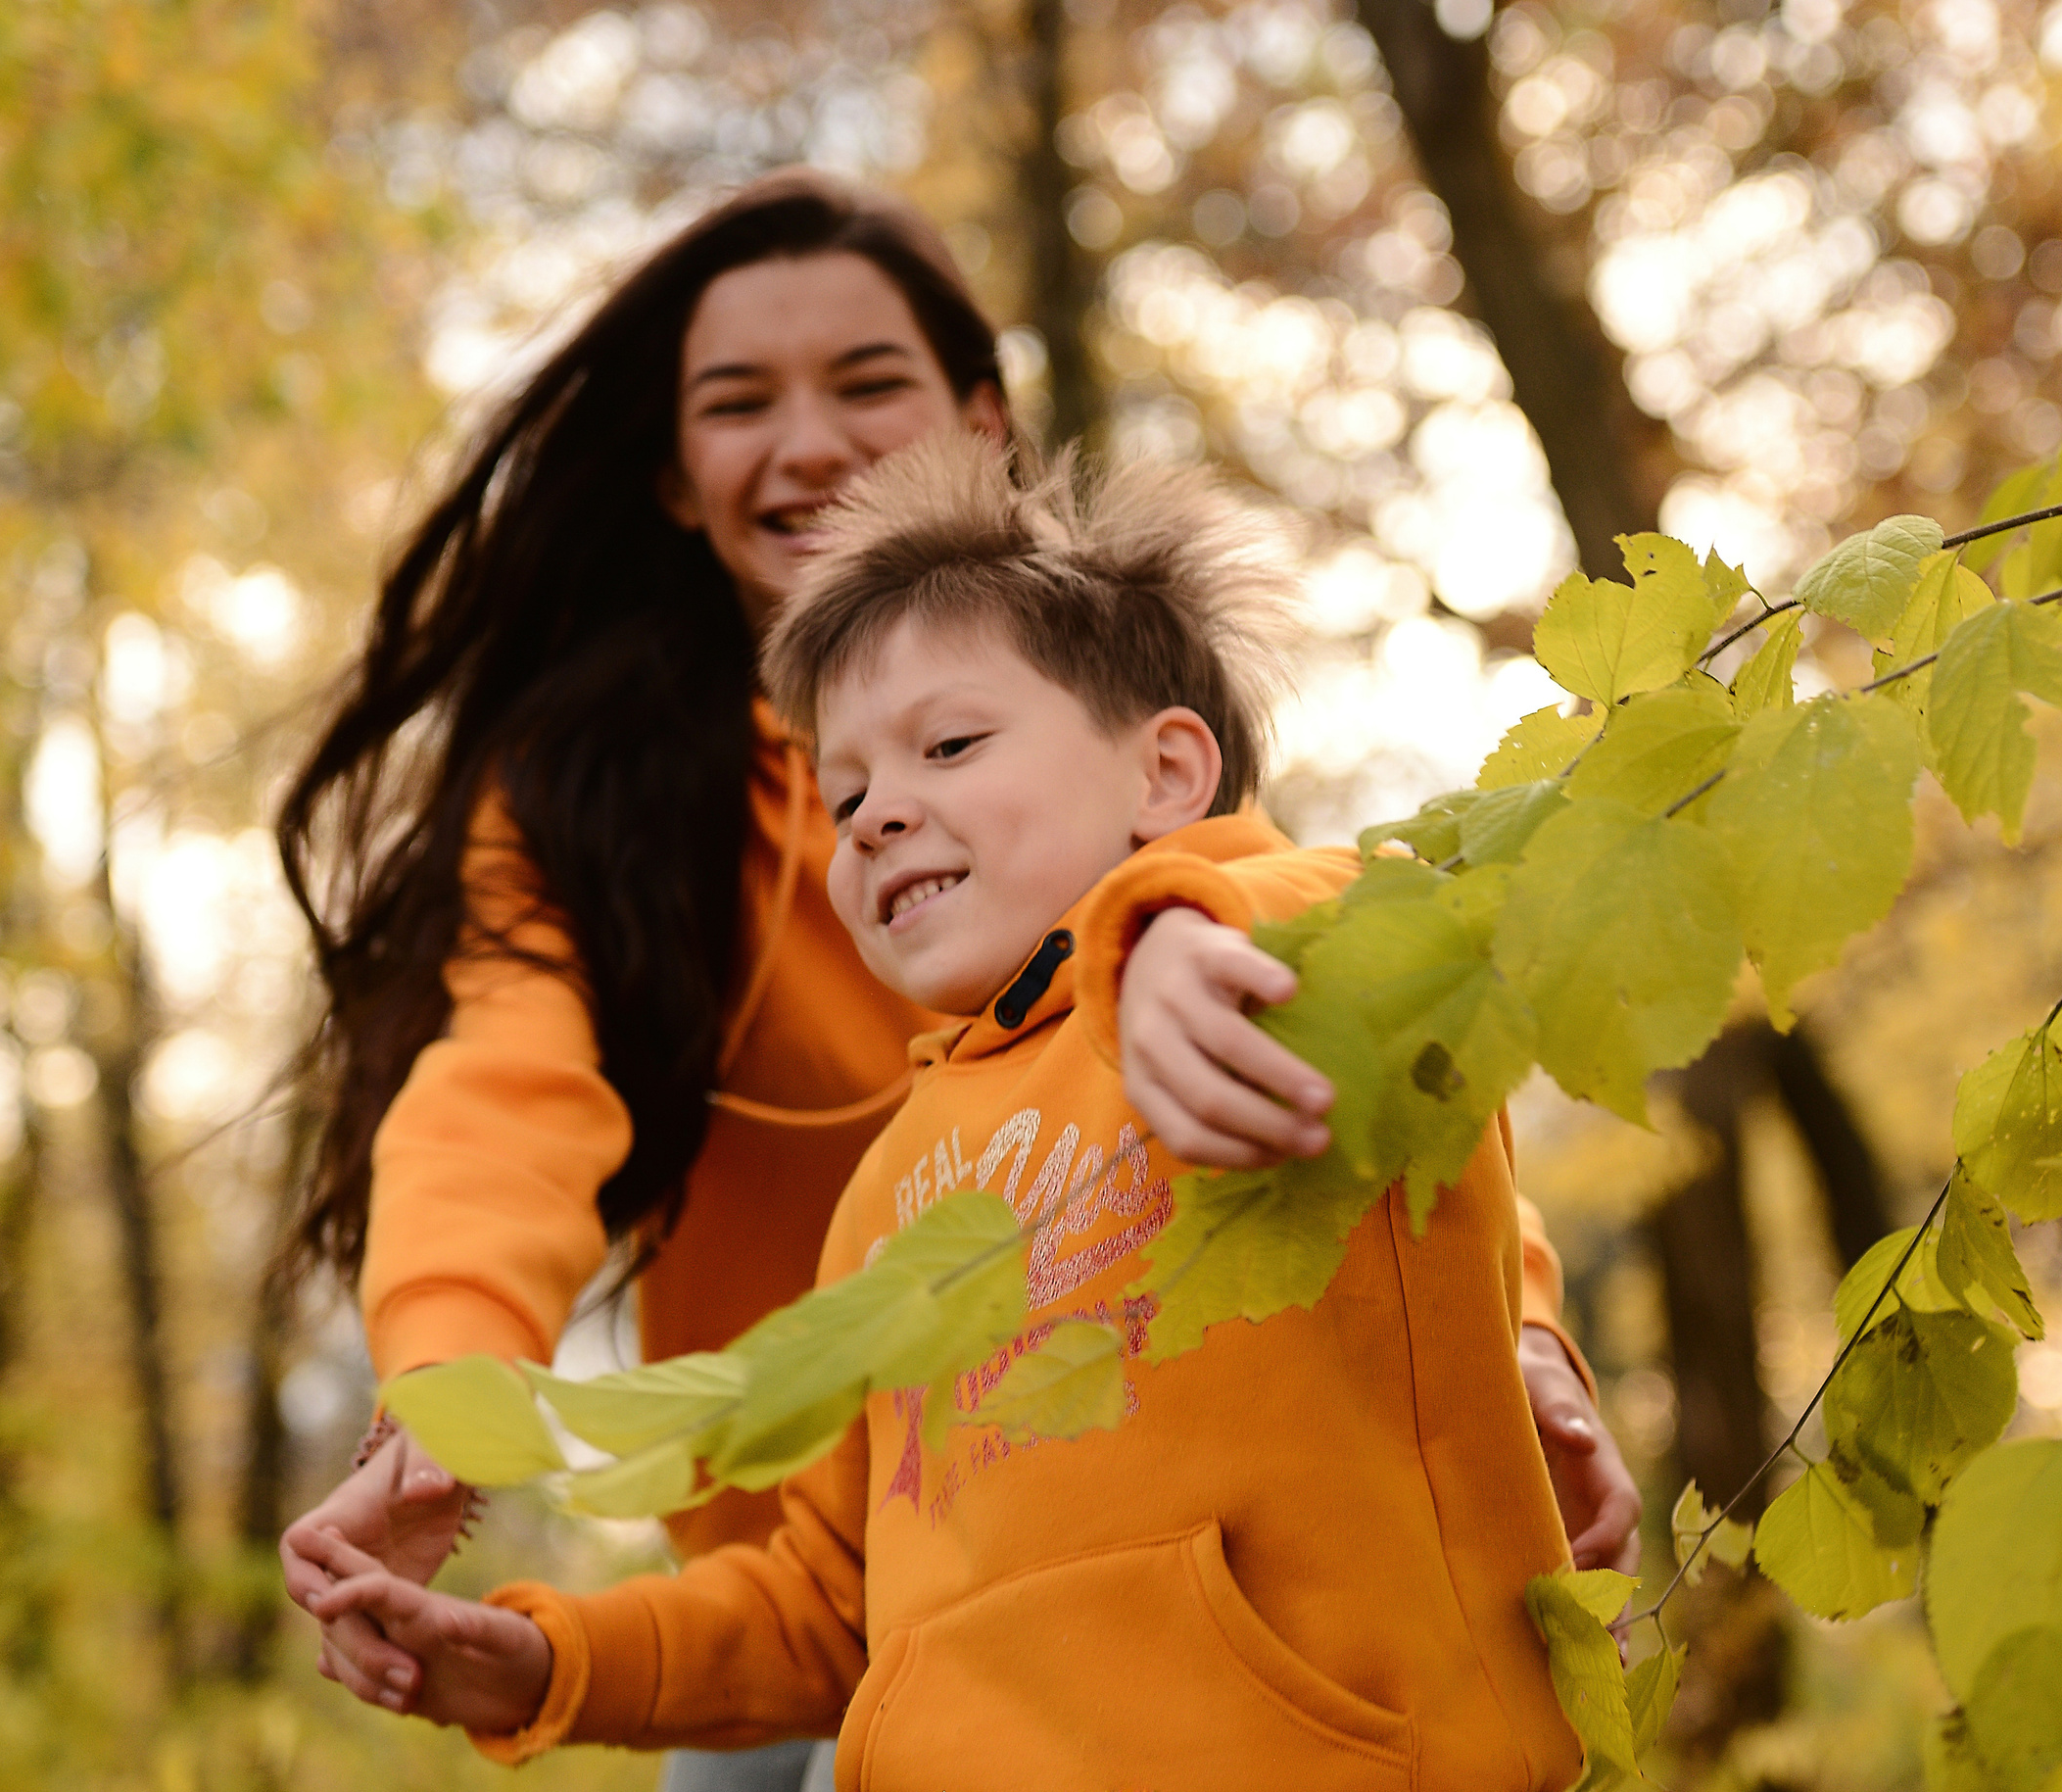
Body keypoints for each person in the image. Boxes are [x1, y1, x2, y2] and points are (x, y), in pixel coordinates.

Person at [274, 170, 1635, 1791]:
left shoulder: (1229, 916)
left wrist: (1510, 1332)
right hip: (857, 1601)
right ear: (675, 474)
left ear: (980, 421)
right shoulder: (606, 821)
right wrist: (474, 1463)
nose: (805, 441)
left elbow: (1354, 983)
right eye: (739, 402)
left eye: (865, 382)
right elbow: (499, 1107)